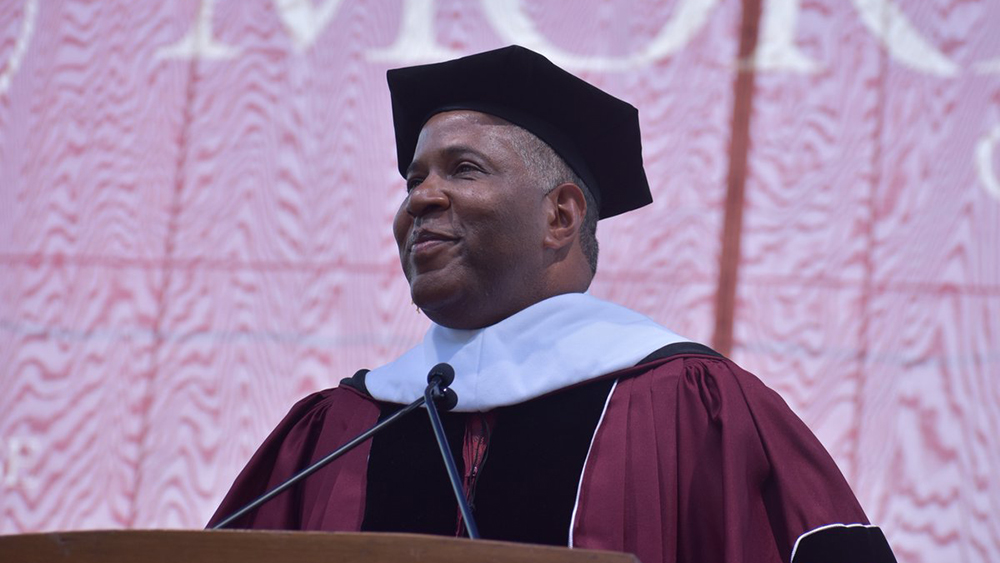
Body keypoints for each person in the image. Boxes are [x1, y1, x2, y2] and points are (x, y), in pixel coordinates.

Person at [208, 45, 896, 563]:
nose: (420, 197)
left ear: (560, 217)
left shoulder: (696, 408)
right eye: (413, 178)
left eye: (463, 169)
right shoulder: (339, 428)